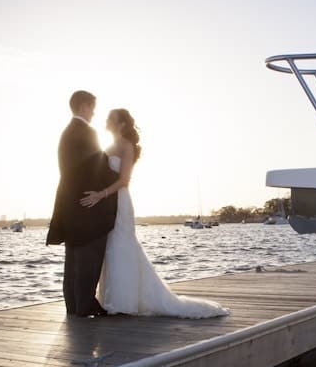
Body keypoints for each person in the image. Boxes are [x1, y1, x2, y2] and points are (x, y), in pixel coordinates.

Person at [82, 109, 229, 318]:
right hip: (106, 202)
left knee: (122, 246)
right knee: (111, 249)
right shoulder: (107, 146)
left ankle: (124, 302)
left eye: (110, 119)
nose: (106, 121)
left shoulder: (126, 146)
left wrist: (100, 194)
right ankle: (110, 299)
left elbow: (124, 180)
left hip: (119, 200)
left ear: (122, 124)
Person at [46, 90, 119, 317]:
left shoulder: (66, 132)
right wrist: (116, 180)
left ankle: (73, 306)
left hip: (69, 206)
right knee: (88, 258)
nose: (94, 112)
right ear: (83, 106)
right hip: (88, 207)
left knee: (73, 262)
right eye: (92, 107)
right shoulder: (86, 132)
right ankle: (85, 305)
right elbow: (97, 165)